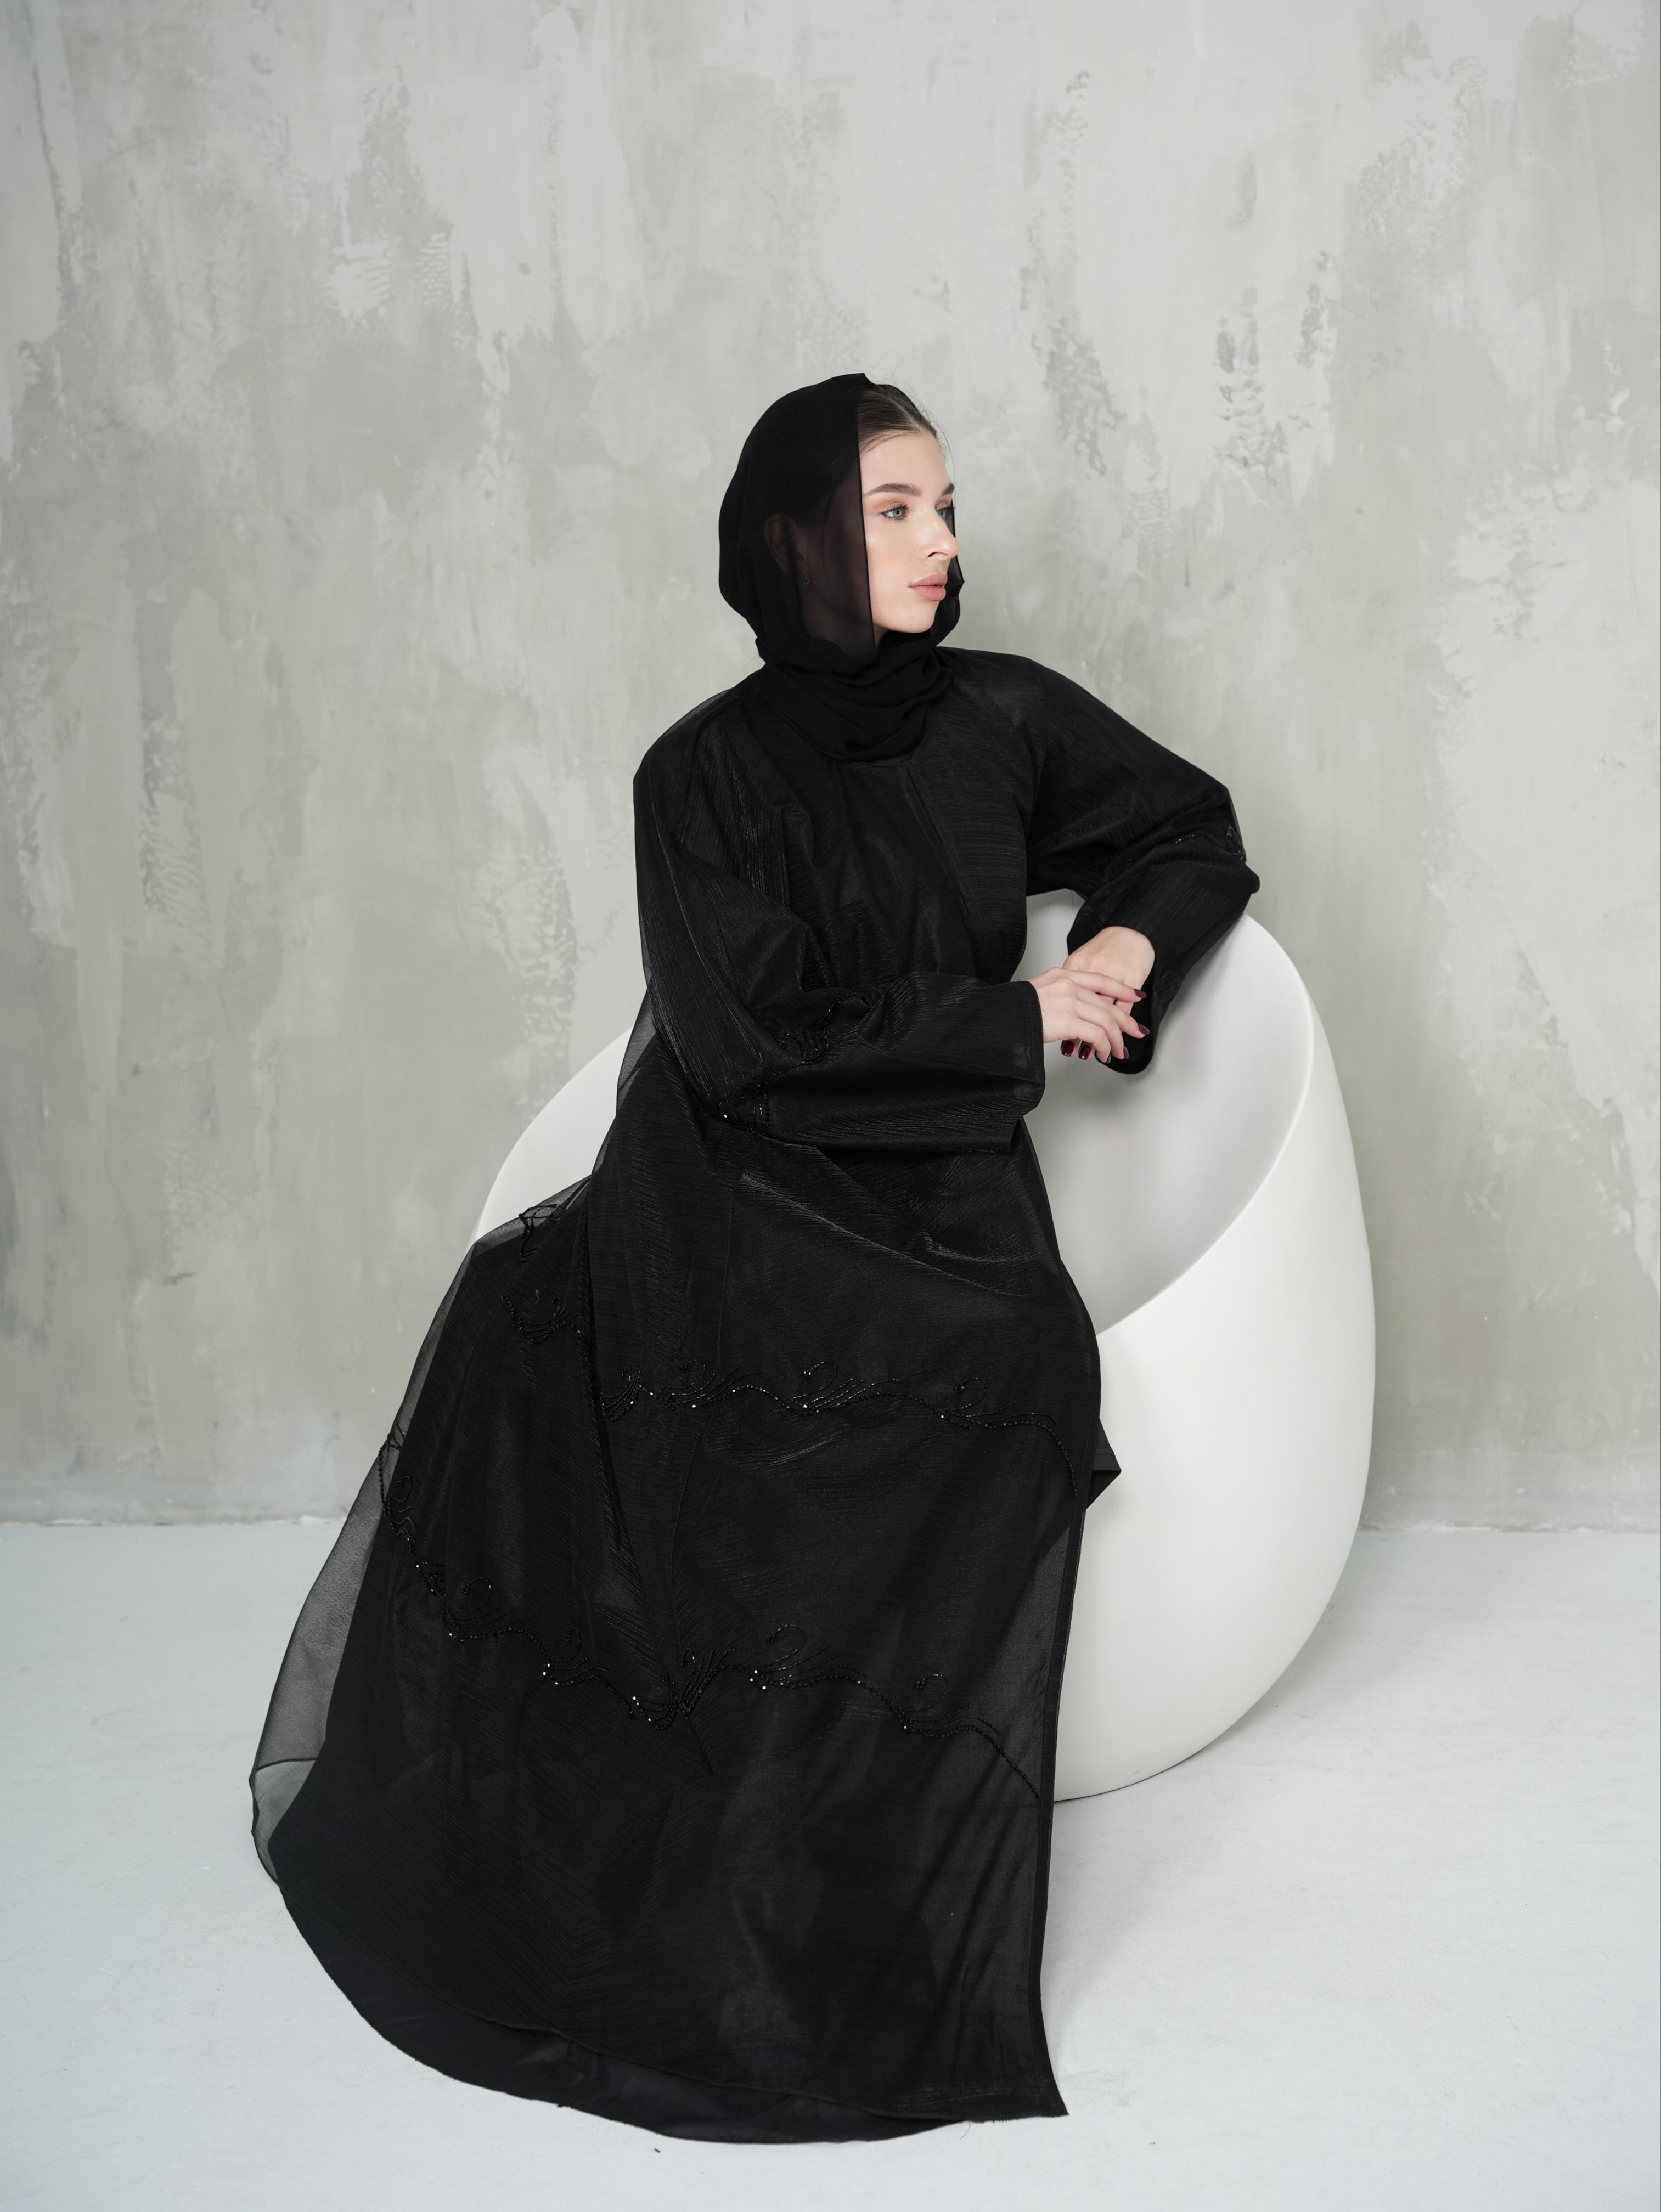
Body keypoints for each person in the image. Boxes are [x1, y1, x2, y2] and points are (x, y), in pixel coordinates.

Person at [250, 371, 1259, 2142]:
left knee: (1011, 1350)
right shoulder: (699, 773)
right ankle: (770, 1797)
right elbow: (752, 1047)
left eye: (946, 508)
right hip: (737, 1179)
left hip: (938, 1168)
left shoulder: (1004, 717)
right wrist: (1011, 1017)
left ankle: (859, 1790)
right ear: (792, 538)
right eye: (894, 511)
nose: (940, 543)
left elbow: (1188, 827)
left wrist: (1116, 953)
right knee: (770, 1385)